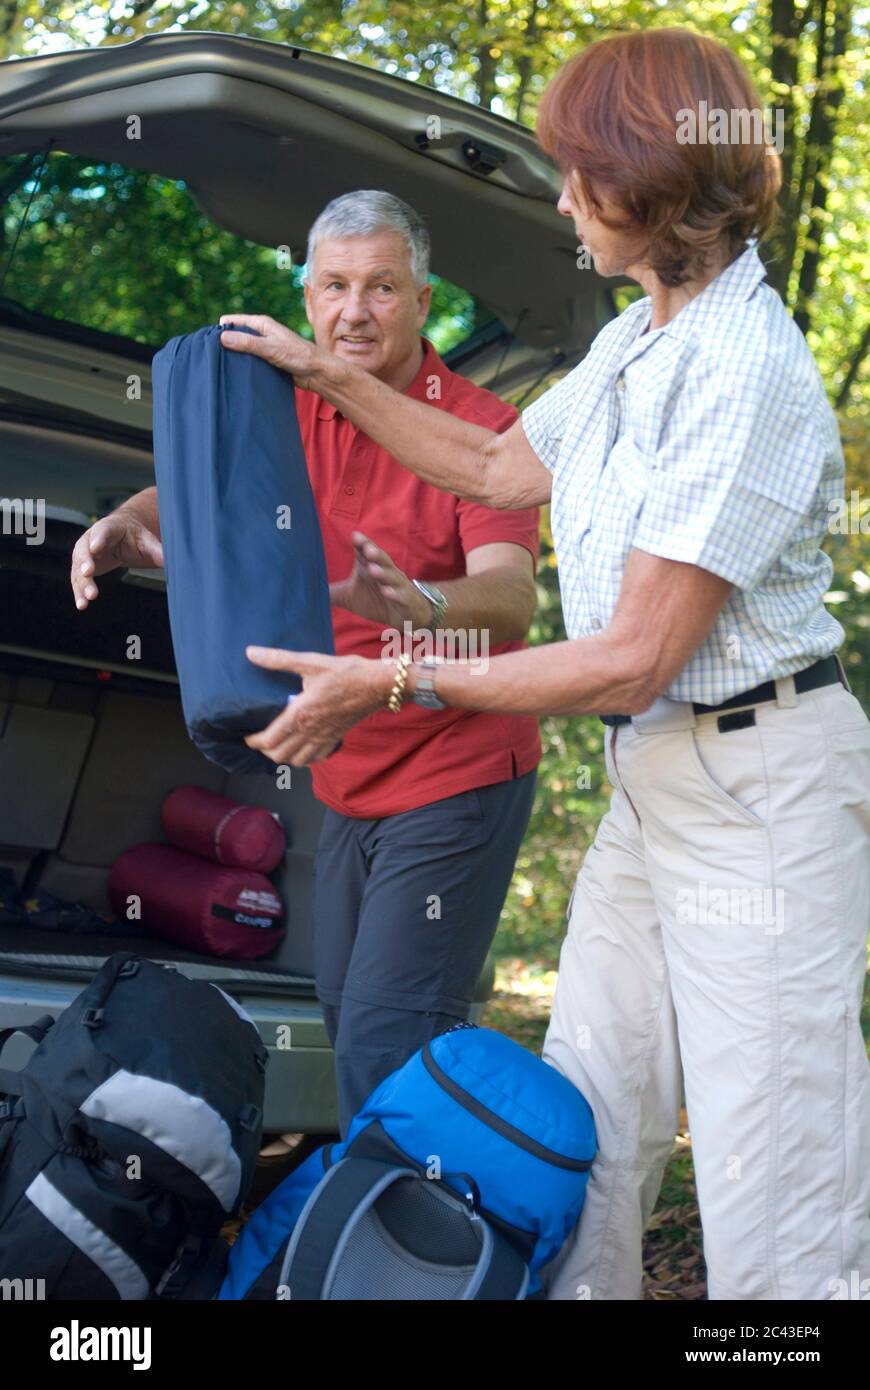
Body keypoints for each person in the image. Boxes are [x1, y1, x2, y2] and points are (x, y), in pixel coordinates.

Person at [215, 30, 870, 1300]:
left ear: (654, 175)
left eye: (581, 170)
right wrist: (319, 374)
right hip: (659, 781)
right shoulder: (641, 340)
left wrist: (396, 677)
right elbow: (498, 468)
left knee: (774, 1184)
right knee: (589, 1125)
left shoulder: (742, 369)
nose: (563, 196)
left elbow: (628, 657)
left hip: (763, 797)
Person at [70, 190, 542, 1138]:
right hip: (346, 775)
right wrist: (129, 520)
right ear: (308, 291)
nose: (353, 310)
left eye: (380, 286)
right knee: (345, 1017)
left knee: (386, 1034)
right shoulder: (291, 403)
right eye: (334, 285)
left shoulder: (480, 427)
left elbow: (511, 597)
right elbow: (197, 479)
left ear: (420, 297)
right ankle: (394, 1223)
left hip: (456, 773)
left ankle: (416, 1254)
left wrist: (422, 603)